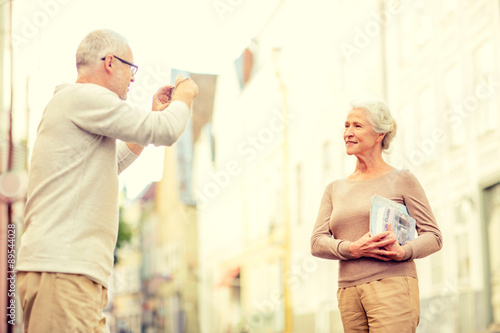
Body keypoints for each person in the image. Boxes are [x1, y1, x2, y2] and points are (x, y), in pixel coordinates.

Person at [16, 29, 198, 332]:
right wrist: (185, 97)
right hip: (64, 272)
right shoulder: (86, 97)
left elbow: (109, 163)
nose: (133, 78)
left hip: (70, 273)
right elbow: (165, 130)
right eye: (131, 68)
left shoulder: (75, 104)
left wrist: (152, 117)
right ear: (110, 62)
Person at [310, 96, 442, 333]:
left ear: (380, 134)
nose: (348, 132)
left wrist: (404, 252)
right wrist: (352, 249)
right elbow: (317, 243)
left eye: (357, 126)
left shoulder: (401, 179)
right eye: (346, 125)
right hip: (348, 291)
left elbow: (433, 236)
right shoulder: (334, 188)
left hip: (392, 285)